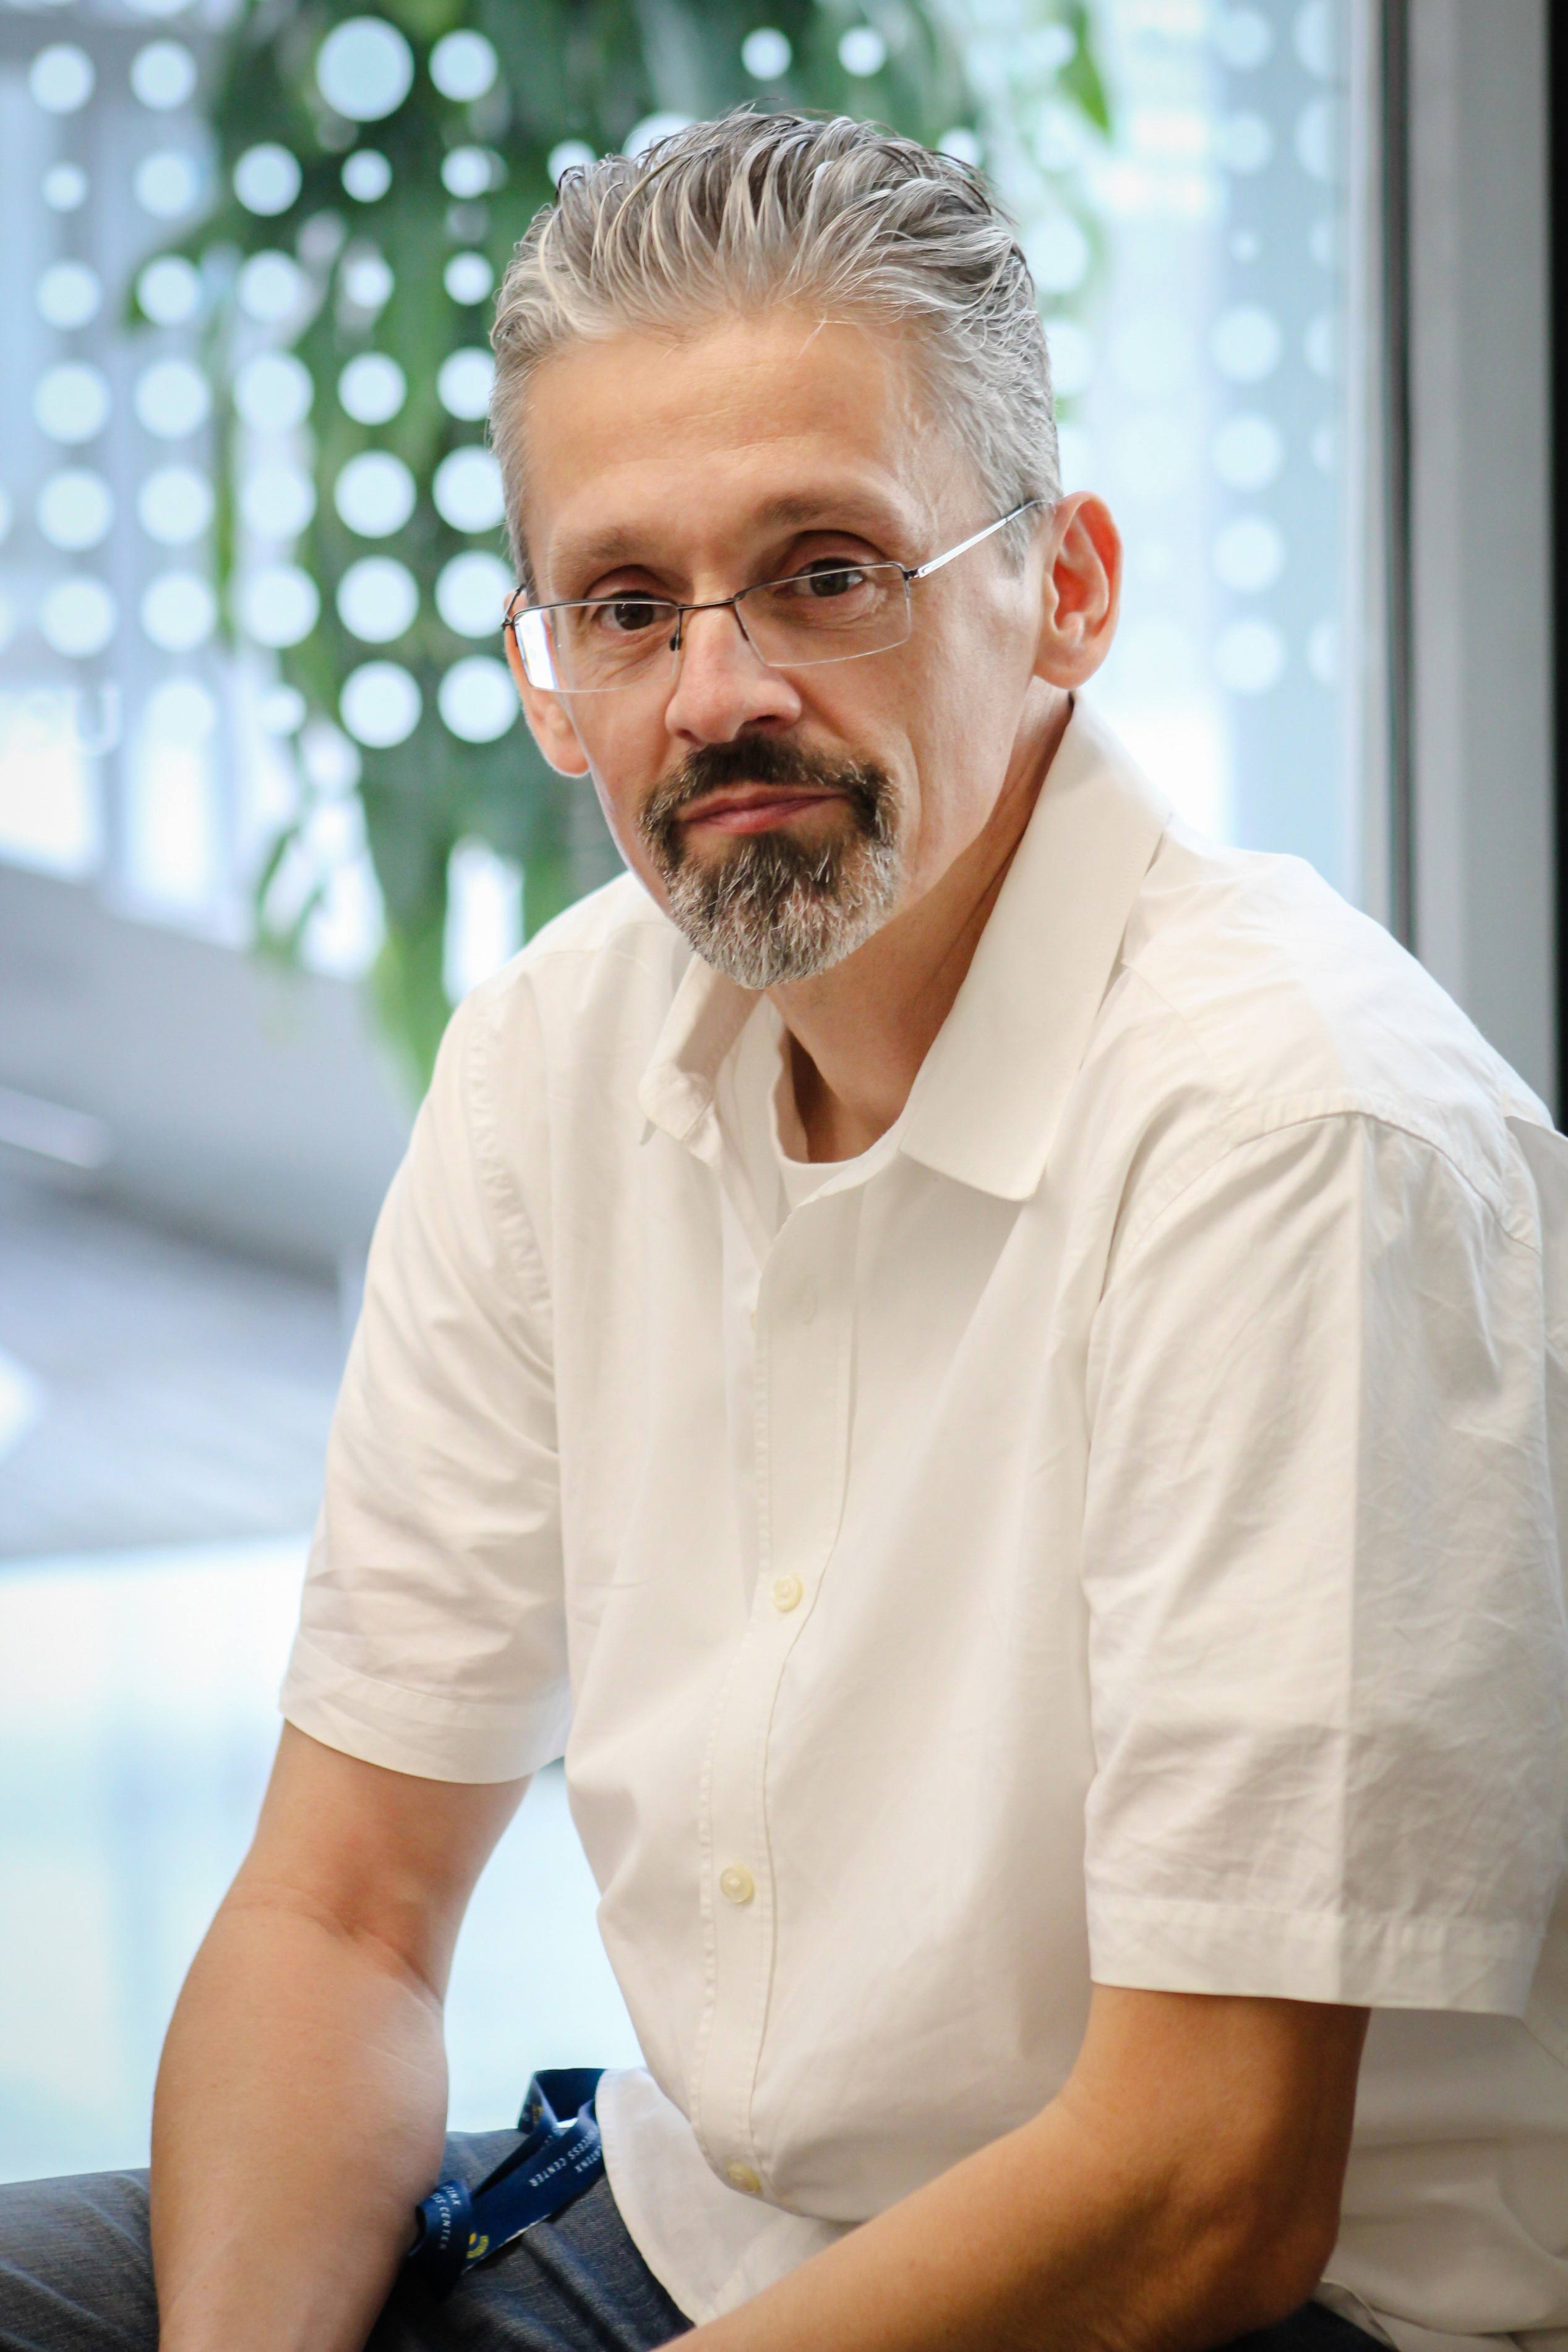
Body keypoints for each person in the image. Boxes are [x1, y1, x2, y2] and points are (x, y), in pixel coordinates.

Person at [2, 108, 1566, 2352]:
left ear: (1071, 590)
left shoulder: (1294, 1132)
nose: (715, 692)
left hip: (1251, 2308)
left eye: (825, 570)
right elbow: (342, 1915)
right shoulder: (556, 1052)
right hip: (706, 2238)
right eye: (625, 605)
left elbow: (1205, 2176)